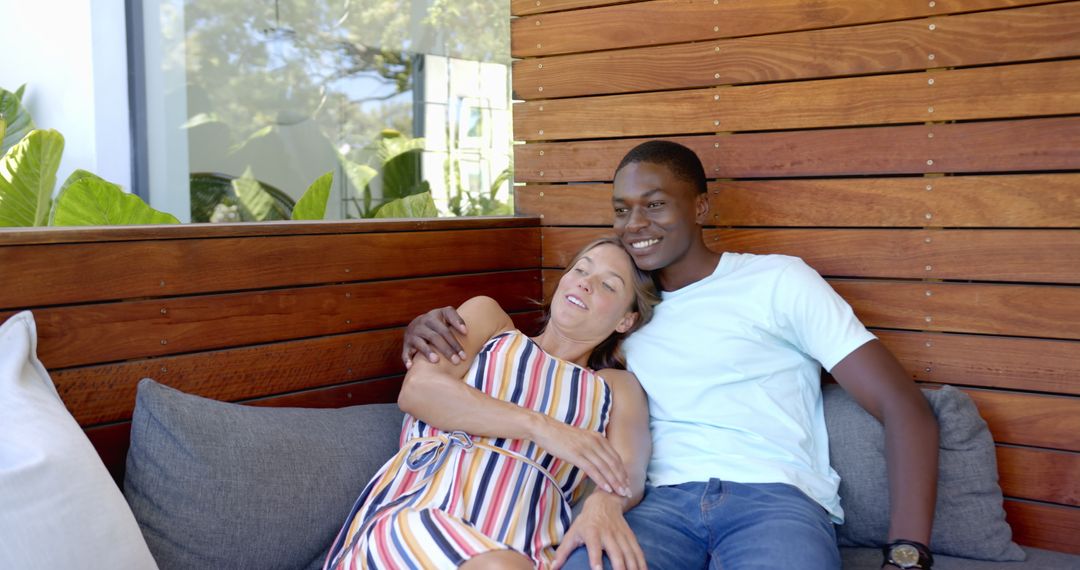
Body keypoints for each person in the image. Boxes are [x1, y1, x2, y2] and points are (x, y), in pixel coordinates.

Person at [402, 141, 940, 570]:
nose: (635, 224)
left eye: (655, 204)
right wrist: (430, 330)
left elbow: (903, 407)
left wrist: (907, 553)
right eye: (622, 210)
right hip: (654, 508)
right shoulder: (622, 313)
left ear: (700, 206)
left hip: (775, 501)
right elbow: (541, 364)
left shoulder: (778, 281)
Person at [325, 238, 658, 570]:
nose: (585, 282)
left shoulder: (615, 387)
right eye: (581, 270)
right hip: (420, 517)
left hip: (527, 548)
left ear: (625, 321)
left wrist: (604, 505)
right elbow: (418, 390)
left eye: (607, 285)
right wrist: (541, 428)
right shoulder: (491, 322)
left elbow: (627, 471)